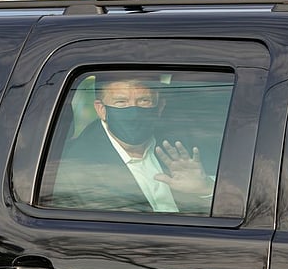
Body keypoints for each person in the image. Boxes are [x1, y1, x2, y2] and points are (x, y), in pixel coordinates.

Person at [49, 75, 214, 213]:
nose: (134, 112)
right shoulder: (74, 168)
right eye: (121, 102)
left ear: (159, 106)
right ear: (101, 109)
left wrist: (205, 190)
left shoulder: (187, 145)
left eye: (144, 101)